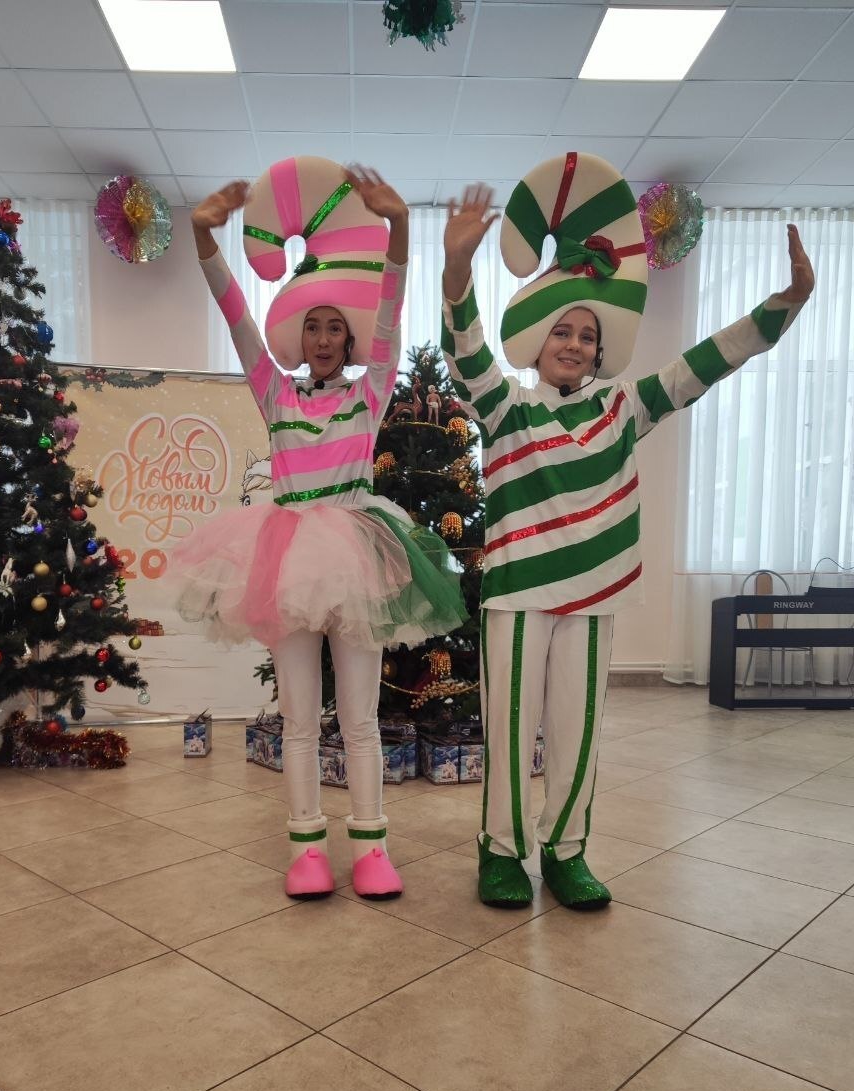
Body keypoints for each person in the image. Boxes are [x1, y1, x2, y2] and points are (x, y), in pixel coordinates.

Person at [440, 153, 814, 910]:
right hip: (517, 595)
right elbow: (466, 351)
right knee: (510, 728)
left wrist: (786, 302)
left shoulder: (623, 408)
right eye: (562, 330)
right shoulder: (506, 409)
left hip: (594, 595)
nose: (574, 344)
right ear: (538, 338)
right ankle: (502, 850)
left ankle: (566, 849)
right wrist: (456, 271)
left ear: (600, 347)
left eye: (587, 334)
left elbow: (704, 363)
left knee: (577, 732)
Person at [174, 159, 466, 902]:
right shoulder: (274, 393)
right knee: (300, 719)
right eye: (314, 325)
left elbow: (392, 310)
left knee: (360, 719)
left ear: (351, 337)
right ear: (298, 336)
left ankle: (372, 848)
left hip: (356, 551)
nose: (327, 336)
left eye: (338, 326)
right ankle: (306, 847)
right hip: (283, 555)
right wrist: (205, 239)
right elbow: (236, 317)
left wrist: (400, 226)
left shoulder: (370, 394)